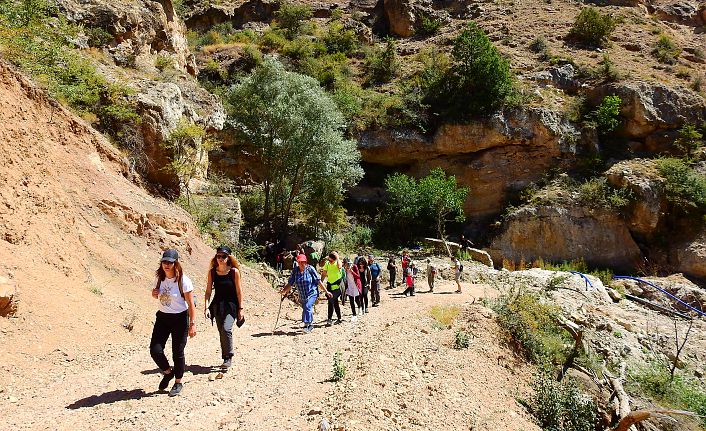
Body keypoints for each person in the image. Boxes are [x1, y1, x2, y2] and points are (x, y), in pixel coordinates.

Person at [149, 248, 196, 397]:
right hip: (162, 317)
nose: (166, 265)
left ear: (176, 263)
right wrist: (154, 294)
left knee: (178, 352)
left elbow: (191, 304)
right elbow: (158, 295)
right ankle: (168, 372)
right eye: (164, 262)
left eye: (170, 262)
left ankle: (178, 382)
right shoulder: (159, 277)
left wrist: (192, 324)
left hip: (180, 319)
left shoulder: (183, 280)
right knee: (155, 350)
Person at [204, 245, 243, 369]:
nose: (220, 258)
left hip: (231, 305)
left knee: (226, 329)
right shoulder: (212, 272)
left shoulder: (233, 272)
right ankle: (225, 357)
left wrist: (240, 309)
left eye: (223, 256)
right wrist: (205, 307)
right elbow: (208, 291)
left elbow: (239, 291)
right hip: (217, 305)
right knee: (221, 331)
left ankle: (228, 357)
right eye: (218, 256)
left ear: (228, 258)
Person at [281, 254, 331, 333]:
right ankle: (306, 324)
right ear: (297, 262)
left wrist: (326, 291)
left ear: (306, 262)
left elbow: (318, 281)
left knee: (308, 306)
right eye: (300, 262)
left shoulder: (310, 269)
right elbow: (290, 283)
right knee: (305, 308)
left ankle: (309, 325)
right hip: (302, 295)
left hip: (312, 292)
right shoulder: (295, 271)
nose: (302, 263)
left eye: (303, 262)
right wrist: (283, 291)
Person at [321, 252, 343, 326]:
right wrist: (320, 282)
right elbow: (324, 273)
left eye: (331, 261)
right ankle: (339, 318)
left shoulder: (338, 262)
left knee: (331, 301)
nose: (330, 262)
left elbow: (340, 267)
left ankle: (329, 319)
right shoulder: (327, 264)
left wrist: (337, 257)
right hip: (330, 286)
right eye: (329, 260)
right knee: (335, 302)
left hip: (338, 287)